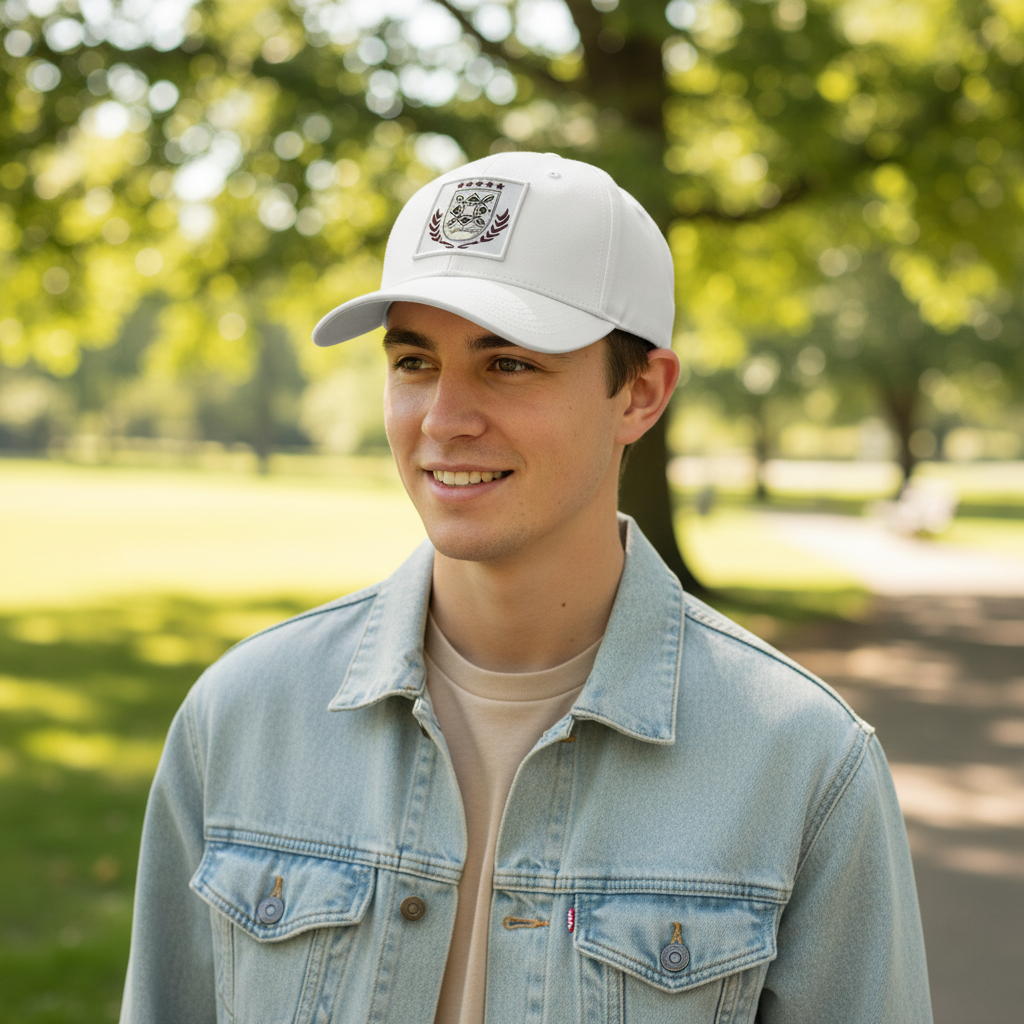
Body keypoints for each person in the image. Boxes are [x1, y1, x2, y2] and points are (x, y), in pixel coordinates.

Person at [120, 151, 932, 1024]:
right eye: (413, 362)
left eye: (508, 363)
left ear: (641, 394)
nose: (443, 420)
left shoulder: (806, 764)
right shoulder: (239, 718)